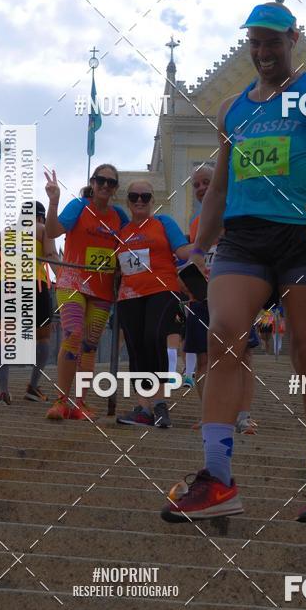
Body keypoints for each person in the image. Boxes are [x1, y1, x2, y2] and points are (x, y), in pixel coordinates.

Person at [161, 0, 306, 524]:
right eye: (254, 42)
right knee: (222, 336)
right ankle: (217, 479)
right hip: (244, 240)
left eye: (273, 42)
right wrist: (199, 247)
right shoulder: (230, 109)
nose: (262, 52)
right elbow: (220, 187)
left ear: (292, 39)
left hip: (303, 237)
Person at [44, 164, 128, 420]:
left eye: (111, 182)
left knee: (89, 345)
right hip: (72, 283)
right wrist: (54, 202)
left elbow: (128, 246)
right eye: (101, 180)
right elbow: (52, 232)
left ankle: (80, 403)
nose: (105, 185)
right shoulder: (79, 206)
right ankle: (61, 400)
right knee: (73, 335)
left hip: (102, 290)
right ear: (92, 182)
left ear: (115, 188)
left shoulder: (119, 216)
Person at [184, 164, 259, 435]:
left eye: (207, 182)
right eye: (196, 185)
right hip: (202, 297)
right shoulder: (196, 223)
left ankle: (243, 417)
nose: (201, 188)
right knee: (203, 358)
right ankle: (210, 415)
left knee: (243, 355)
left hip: (237, 292)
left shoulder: (239, 211)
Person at [115, 180, 193, 428]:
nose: (139, 200)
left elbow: (183, 252)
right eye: (134, 196)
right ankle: (143, 408)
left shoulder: (163, 222)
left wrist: (208, 245)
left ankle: (159, 403)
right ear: (127, 201)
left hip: (162, 289)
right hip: (129, 296)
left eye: (145, 196)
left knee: (154, 338)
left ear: (153, 200)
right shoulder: (122, 231)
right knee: (136, 347)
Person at [0, 201, 58, 405]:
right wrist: (64, 279)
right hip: (34, 283)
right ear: (41, 217)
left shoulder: (3, 233)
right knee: (43, 338)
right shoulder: (42, 228)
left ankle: (3, 392)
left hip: (4, 284)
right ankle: (33, 387)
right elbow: (51, 255)